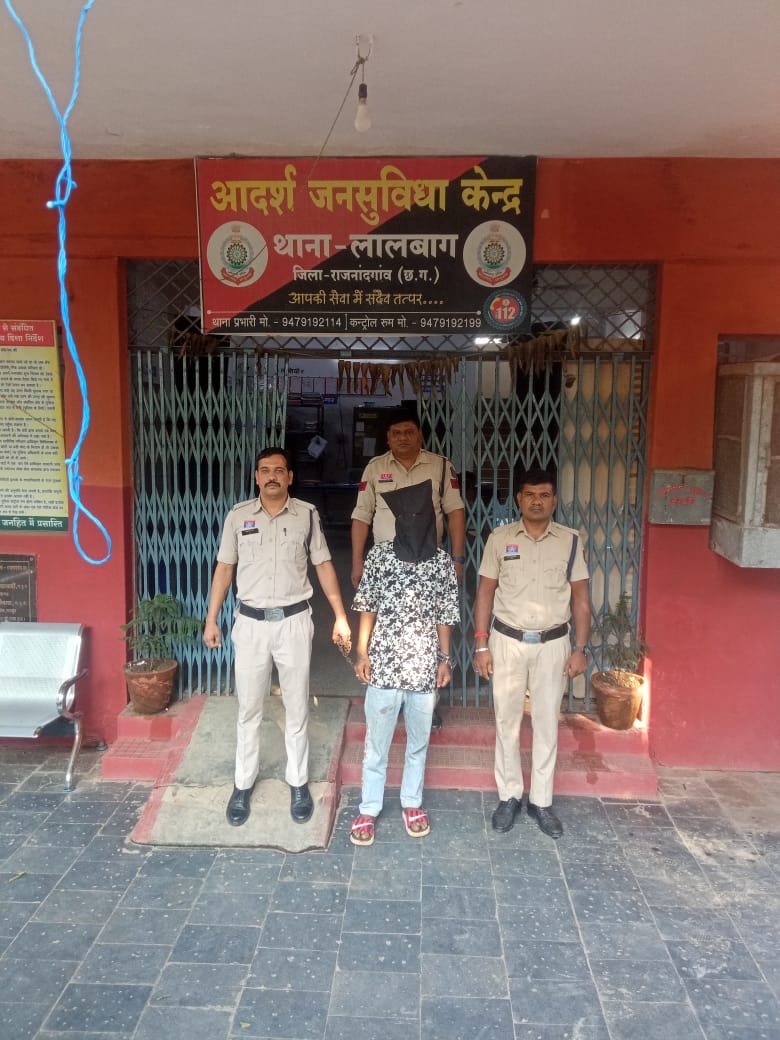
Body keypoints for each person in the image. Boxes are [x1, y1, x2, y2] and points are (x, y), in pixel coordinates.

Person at [203, 446, 352, 827]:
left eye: (279, 470)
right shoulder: (238, 516)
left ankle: (298, 782)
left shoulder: (307, 515)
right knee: (249, 708)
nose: (272, 476)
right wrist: (211, 619)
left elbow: (323, 564)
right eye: (265, 470)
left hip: (293, 622)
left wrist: (340, 615)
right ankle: (242, 783)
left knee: (297, 705)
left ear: (290, 477)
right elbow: (224, 568)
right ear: (256, 477)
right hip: (250, 624)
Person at [472, 467, 590, 839]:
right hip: (507, 642)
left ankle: (541, 801)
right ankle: (509, 795)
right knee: (507, 721)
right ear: (519, 499)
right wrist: (481, 644)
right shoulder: (500, 538)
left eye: (544, 495)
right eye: (530, 495)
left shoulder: (570, 541)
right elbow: (485, 592)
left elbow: (581, 598)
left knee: (546, 722)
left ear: (554, 501)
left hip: (554, 645)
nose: (536, 501)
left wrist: (580, 649)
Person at [349, 480, 460, 846]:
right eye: (405, 516)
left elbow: (445, 614)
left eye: (419, 516)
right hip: (383, 665)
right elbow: (367, 605)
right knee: (376, 744)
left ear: (430, 519)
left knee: (418, 743)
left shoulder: (441, 563)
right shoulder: (379, 556)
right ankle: (369, 807)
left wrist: (444, 659)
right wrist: (362, 652)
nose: (412, 521)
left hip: (424, 668)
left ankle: (412, 802)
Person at [350, 407, 465, 731]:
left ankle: (429, 703)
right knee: (384, 632)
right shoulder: (375, 468)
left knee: (430, 632)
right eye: (396, 433)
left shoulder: (440, 466)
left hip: (429, 563)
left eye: (409, 432)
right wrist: (358, 561)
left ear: (420, 435)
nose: (403, 438)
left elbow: (455, 511)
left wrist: (456, 559)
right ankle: (386, 698)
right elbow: (361, 516)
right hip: (386, 564)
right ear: (387, 438)